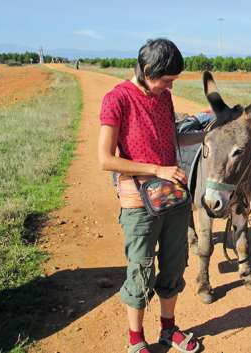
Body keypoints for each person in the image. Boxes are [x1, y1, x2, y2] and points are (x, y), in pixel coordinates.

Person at [98, 38, 203, 353]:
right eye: (166, 80)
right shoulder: (117, 99)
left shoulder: (164, 97)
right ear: (146, 70)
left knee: (174, 266)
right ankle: (135, 340)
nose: (169, 86)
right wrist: (157, 169)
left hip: (172, 196)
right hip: (138, 202)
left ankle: (168, 330)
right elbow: (105, 159)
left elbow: (173, 140)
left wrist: (210, 134)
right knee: (141, 271)